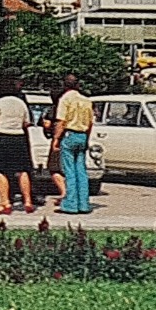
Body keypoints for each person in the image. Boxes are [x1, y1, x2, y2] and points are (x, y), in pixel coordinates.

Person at [0, 74, 35, 215]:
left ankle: (5, 203)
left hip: (2, 137)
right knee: (23, 170)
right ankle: (28, 201)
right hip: (19, 138)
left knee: (1, 171)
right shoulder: (21, 103)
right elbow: (27, 122)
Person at [49, 74, 95, 215]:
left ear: (65, 85)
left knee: (69, 171)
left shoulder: (65, 99)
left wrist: (56, 139)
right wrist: (86, 138)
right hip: (82, 135)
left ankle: (70, 204)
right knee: (81, 170)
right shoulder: (86, 100)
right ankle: (84, 203)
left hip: (69, 134)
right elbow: (90, 123)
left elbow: (61, 122)